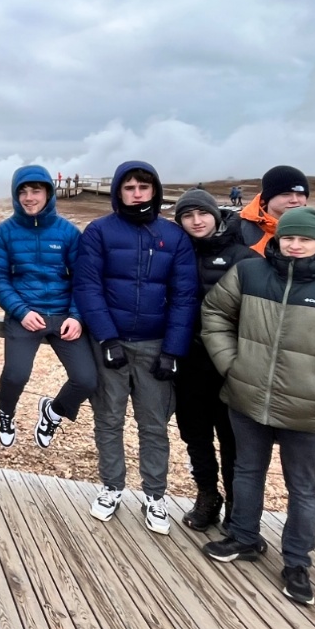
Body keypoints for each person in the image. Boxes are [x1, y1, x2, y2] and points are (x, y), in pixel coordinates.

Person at [198, 207, 315, 606]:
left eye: (305, 239)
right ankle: (244, 537)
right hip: (247, 396)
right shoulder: (249, 273)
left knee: (302, 488)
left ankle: (297, 562)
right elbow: (215, 313)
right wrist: (232, 365)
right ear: (278, 238)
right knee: (246, 471)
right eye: (289, 237)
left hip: (309, 409)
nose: (295, 245)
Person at [73, 160, 198, 534]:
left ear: (155, 191)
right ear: (118, 192)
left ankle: (155, 495)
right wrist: (106, 337)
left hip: (155, 343)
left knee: (154, 424)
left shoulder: (174, 237)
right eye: (129, 188)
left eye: (144, 187)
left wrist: (173, 350)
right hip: (110, 342)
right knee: (108, 419)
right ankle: (111, 486)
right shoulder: (98, 232)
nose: (137, 194)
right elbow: (88, 287)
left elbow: (184, 295)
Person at [0, 165, 95, 452]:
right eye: (22, 191)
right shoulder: (4, 233)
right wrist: (21, 311)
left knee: (86, 380)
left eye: (36, 190)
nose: (29, 197)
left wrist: (77, 316)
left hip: (63, 316)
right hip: (24, 315)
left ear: (48, 192)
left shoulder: (68, 232)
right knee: (15, 375)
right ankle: (5, 412)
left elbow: (83, 279)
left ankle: (53, 411)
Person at [170, 189, 255, 530]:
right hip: (188, 359)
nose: (196, 221)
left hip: (229, 363)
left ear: (215, 215)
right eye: (187, 216)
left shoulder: (243, 256)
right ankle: (207, 495)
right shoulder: (177, 253)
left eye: (202, 213)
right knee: (195, 434)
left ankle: (237, 504)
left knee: (232, 437)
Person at [236, 165, 310, 254]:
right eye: (286, 194)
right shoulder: (238, 230)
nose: (295, 200)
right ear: (267, 198)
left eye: (300, 194)